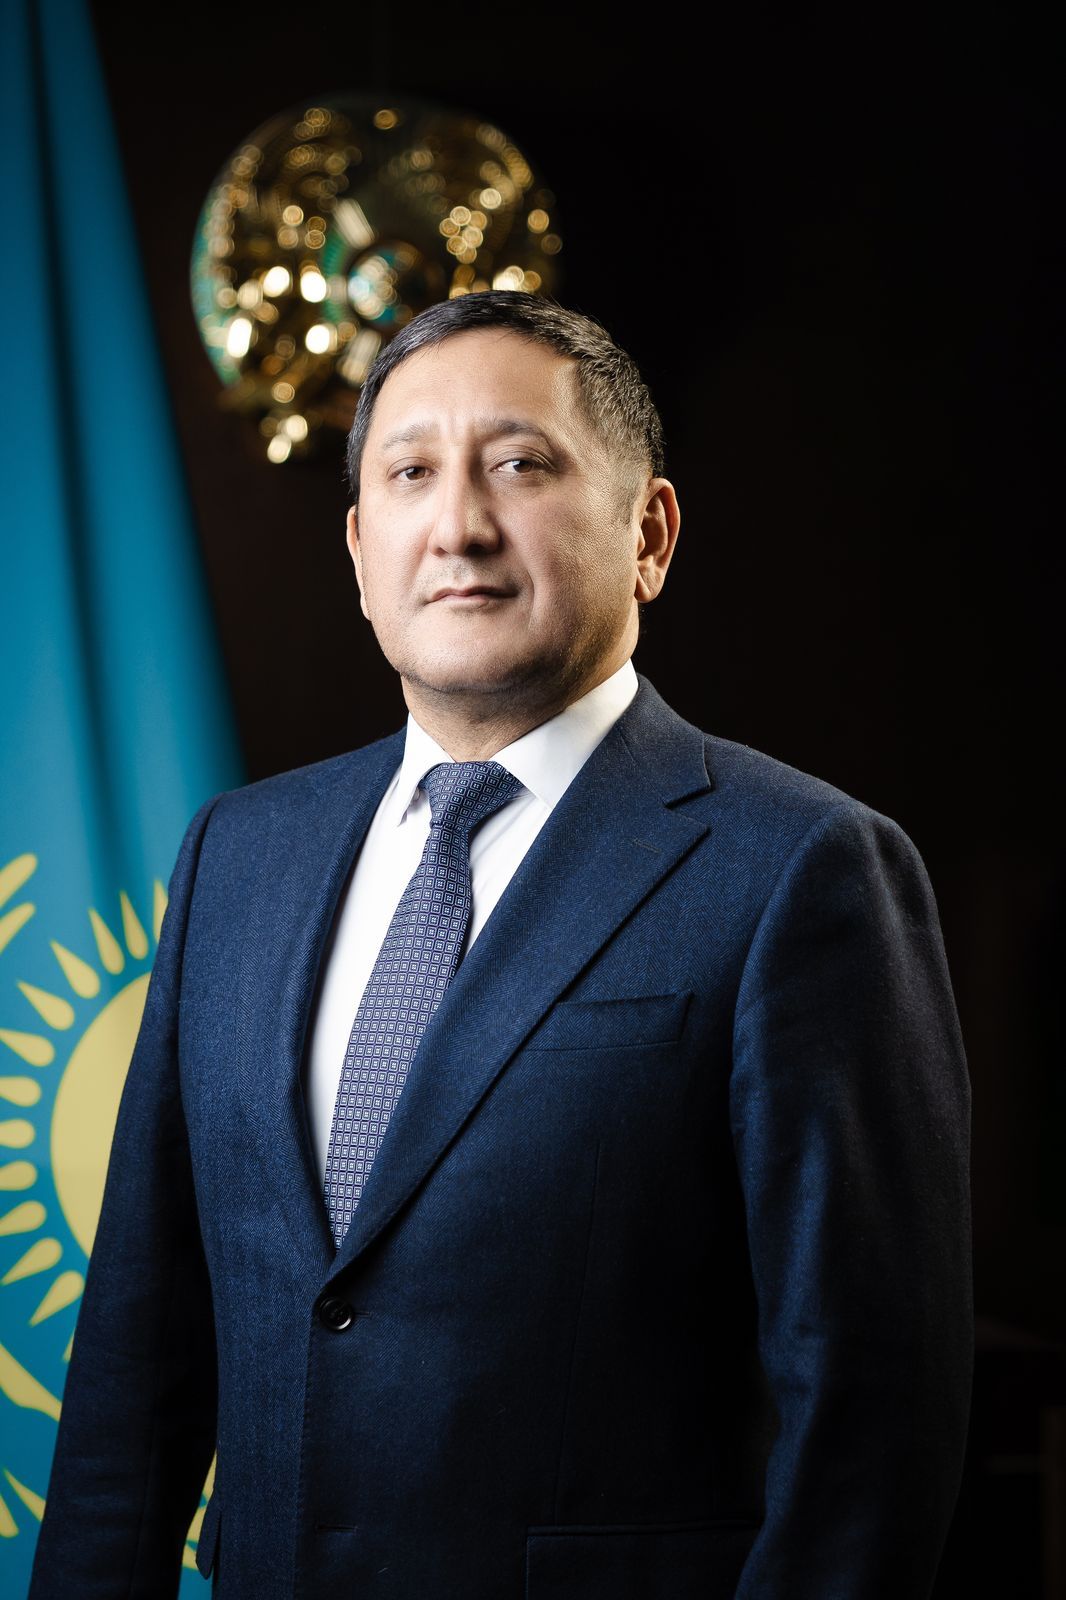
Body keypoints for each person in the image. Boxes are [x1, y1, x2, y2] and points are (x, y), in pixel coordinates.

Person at [29, 292, 972, 1599]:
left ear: (649, 534)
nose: (458, 525)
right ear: (360, 549)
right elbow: (137, 1359)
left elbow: (871, 1421)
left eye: (520, 465)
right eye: (410, 474)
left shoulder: (801, 869)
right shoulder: (237, 854)